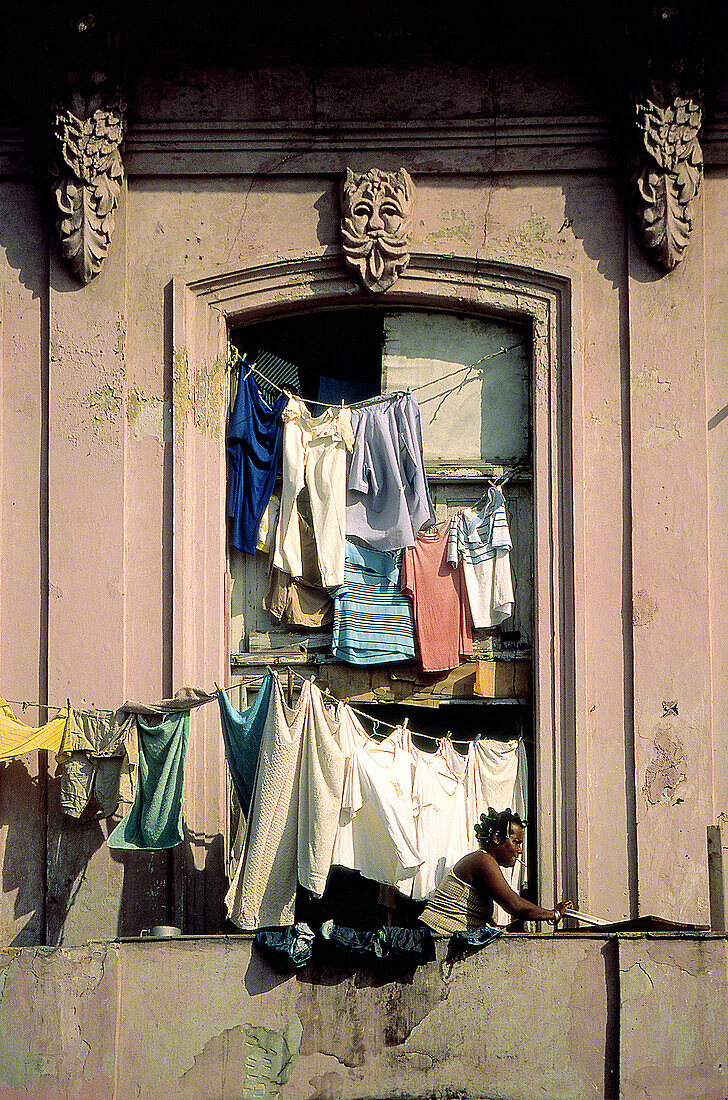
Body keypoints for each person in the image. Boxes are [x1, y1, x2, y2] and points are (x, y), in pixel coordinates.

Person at [419, 807, 572, 934]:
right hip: (435, 936)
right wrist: (554, 914)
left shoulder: (485, 862)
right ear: (497, 838)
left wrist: (506, 929)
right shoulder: (482, 861)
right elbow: (515, 906)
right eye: (516, 842)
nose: (519, 851)